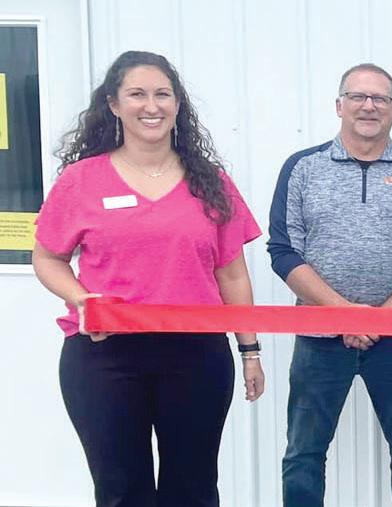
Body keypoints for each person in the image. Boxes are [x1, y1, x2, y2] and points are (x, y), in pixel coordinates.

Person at [33, 49, 265, 507]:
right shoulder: (81, 180)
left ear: (177, 104)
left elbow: (232, 275)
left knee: (193, 490)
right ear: (114, 104)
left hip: (196, 354)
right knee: (121, 491)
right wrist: (82, 299)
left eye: (163, 94)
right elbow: (47, 259)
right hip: (105, 356)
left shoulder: (211, 183)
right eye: (137, 94)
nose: (151, 106)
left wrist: (250, 351)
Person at [268, 63, 392, 507]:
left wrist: (382, 317)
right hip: (319, 339)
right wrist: (343, 314)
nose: (369, 106)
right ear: (339, 105)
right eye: (358, 96)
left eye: (380, 98)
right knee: (304, 453)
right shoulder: (303, 168)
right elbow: (284, 250)